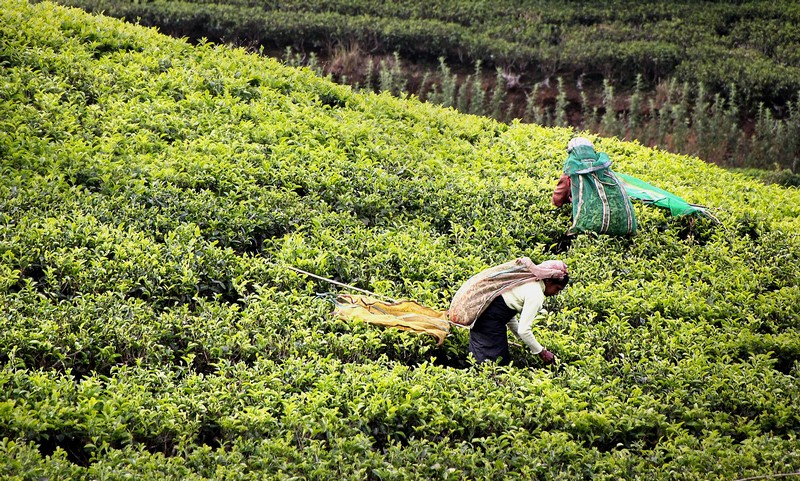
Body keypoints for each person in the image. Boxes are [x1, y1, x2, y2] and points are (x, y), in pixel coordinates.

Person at [447, 258, 569, 366]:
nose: (556, 293)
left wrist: (524, 341)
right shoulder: (536, 293)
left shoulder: (527, 282)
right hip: (489, 322)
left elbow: (508, 315)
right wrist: (542, 352)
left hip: (484, 318)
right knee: (493, 364)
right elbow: (524, 330)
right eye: (557, 289)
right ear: (548, 281)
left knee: (483, 360)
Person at [552, 137, 637, 236]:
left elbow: (557, 201)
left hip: (591, 228)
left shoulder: (571, 173)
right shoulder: (605, 169)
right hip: (621, 224)